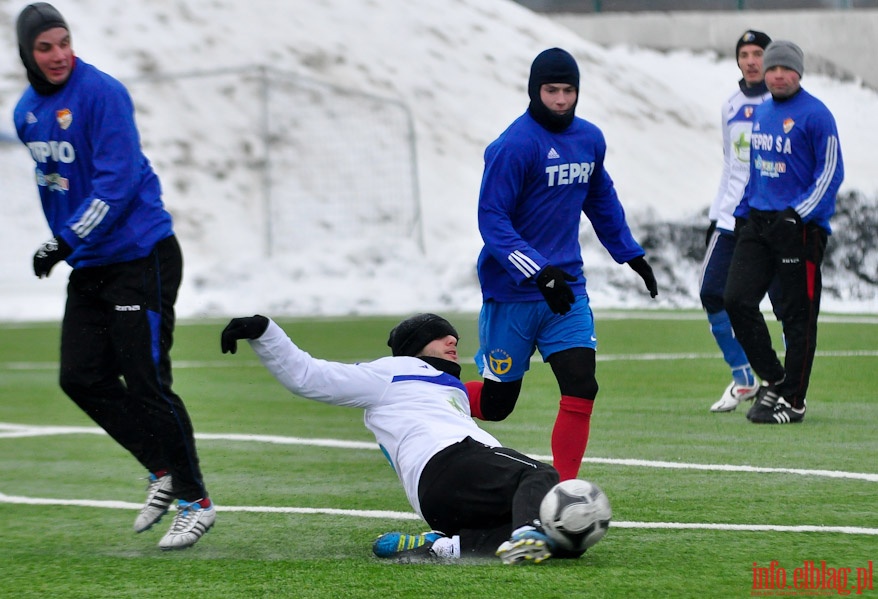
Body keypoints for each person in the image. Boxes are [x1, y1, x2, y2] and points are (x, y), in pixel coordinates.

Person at [13, 3, 215, 549]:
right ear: (27, 53)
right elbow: (57, 186)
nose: (58, 55)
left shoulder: (102, 93)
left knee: (147, 381)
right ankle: (162, 469)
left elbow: (118, 182)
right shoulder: (27, 111)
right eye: (45, 47)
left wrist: (64, 240)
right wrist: (68, 240)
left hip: (139, 254)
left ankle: (196, 501)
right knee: (80, 377)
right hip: (92, 262)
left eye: (64, 42)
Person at [221, 313, 567, 564]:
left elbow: (496, 403)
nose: (453, 342)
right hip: (449, 462)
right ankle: (525, 535)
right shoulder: (392, 371)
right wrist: (264, 331)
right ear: (414, 347)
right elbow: (308, 376)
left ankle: (444, 548)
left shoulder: (450, 389)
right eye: (440, 335)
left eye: (455, 339)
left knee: (562, 536)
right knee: (541, 477)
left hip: (439, 500)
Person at [467, 48, 658, 481]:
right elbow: (491, 220)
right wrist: (538, 270)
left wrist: (630, 253)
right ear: (534, 91)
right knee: (498, 405)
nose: (559, 100)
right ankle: (430, 390)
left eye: (568, 90)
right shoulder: (512, 146)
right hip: (514, 292)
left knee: (581, 384)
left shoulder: (589, 139)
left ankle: (564, 490)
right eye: (551, 90)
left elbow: (600, 197)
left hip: (567, 288)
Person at [725, 40, 844, 425]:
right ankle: (775, 378)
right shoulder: (762, 112)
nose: (777, 75)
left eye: (785, 69)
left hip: (800, 229)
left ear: (798, 73)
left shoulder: (817, 115)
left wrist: (798, 215)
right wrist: (742, 212)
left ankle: (793, 400)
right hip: (759, 222)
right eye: (772, 69)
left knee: (797, 316)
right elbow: (757, 170)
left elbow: (830, 174)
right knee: (737, 300)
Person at [702, 30, 776, 413]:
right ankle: (743, 376)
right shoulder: (730, 105)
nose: (751, 60)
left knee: (776, 304)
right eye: (744, 54)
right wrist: (717, 215)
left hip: (769, 219)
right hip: (732, 216)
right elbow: (731, 165)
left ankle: (782, 386)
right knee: (711, 292)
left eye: (757, 53)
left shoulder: (780, 103)